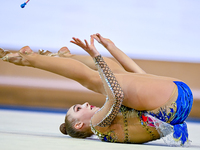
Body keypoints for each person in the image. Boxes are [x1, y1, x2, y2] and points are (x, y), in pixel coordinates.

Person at [0, 33, 193, 146]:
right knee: (96, 80)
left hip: (177, 100)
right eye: (78, 109)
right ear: (78, 125)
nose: (84, 104)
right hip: (174, 103)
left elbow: (140, 75)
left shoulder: (112, 120)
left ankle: (61, 58)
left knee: (114, 73)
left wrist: (113, 48)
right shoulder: (98, 126)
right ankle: (29, 59)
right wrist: (96, 56)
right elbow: (115, 94)